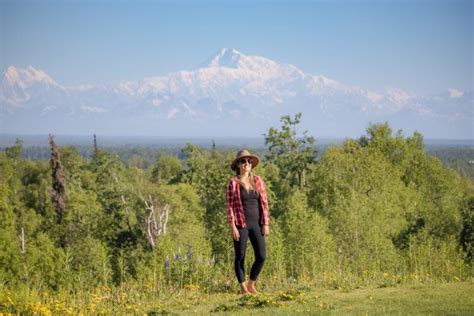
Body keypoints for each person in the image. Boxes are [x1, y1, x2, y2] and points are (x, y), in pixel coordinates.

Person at [226, 149, 270, 295]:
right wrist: (232, 226)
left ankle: (251, 284)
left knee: (262, 255)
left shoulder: (258, 180)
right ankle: (243, 289)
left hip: (256, 223)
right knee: (240, 256)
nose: (247, 163)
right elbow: (230, 206)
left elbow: (264, 203)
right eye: (243, 161)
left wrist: (265, 223)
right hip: (240, 224)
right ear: (238, 164)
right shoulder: (233, 183)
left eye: (249, 161)